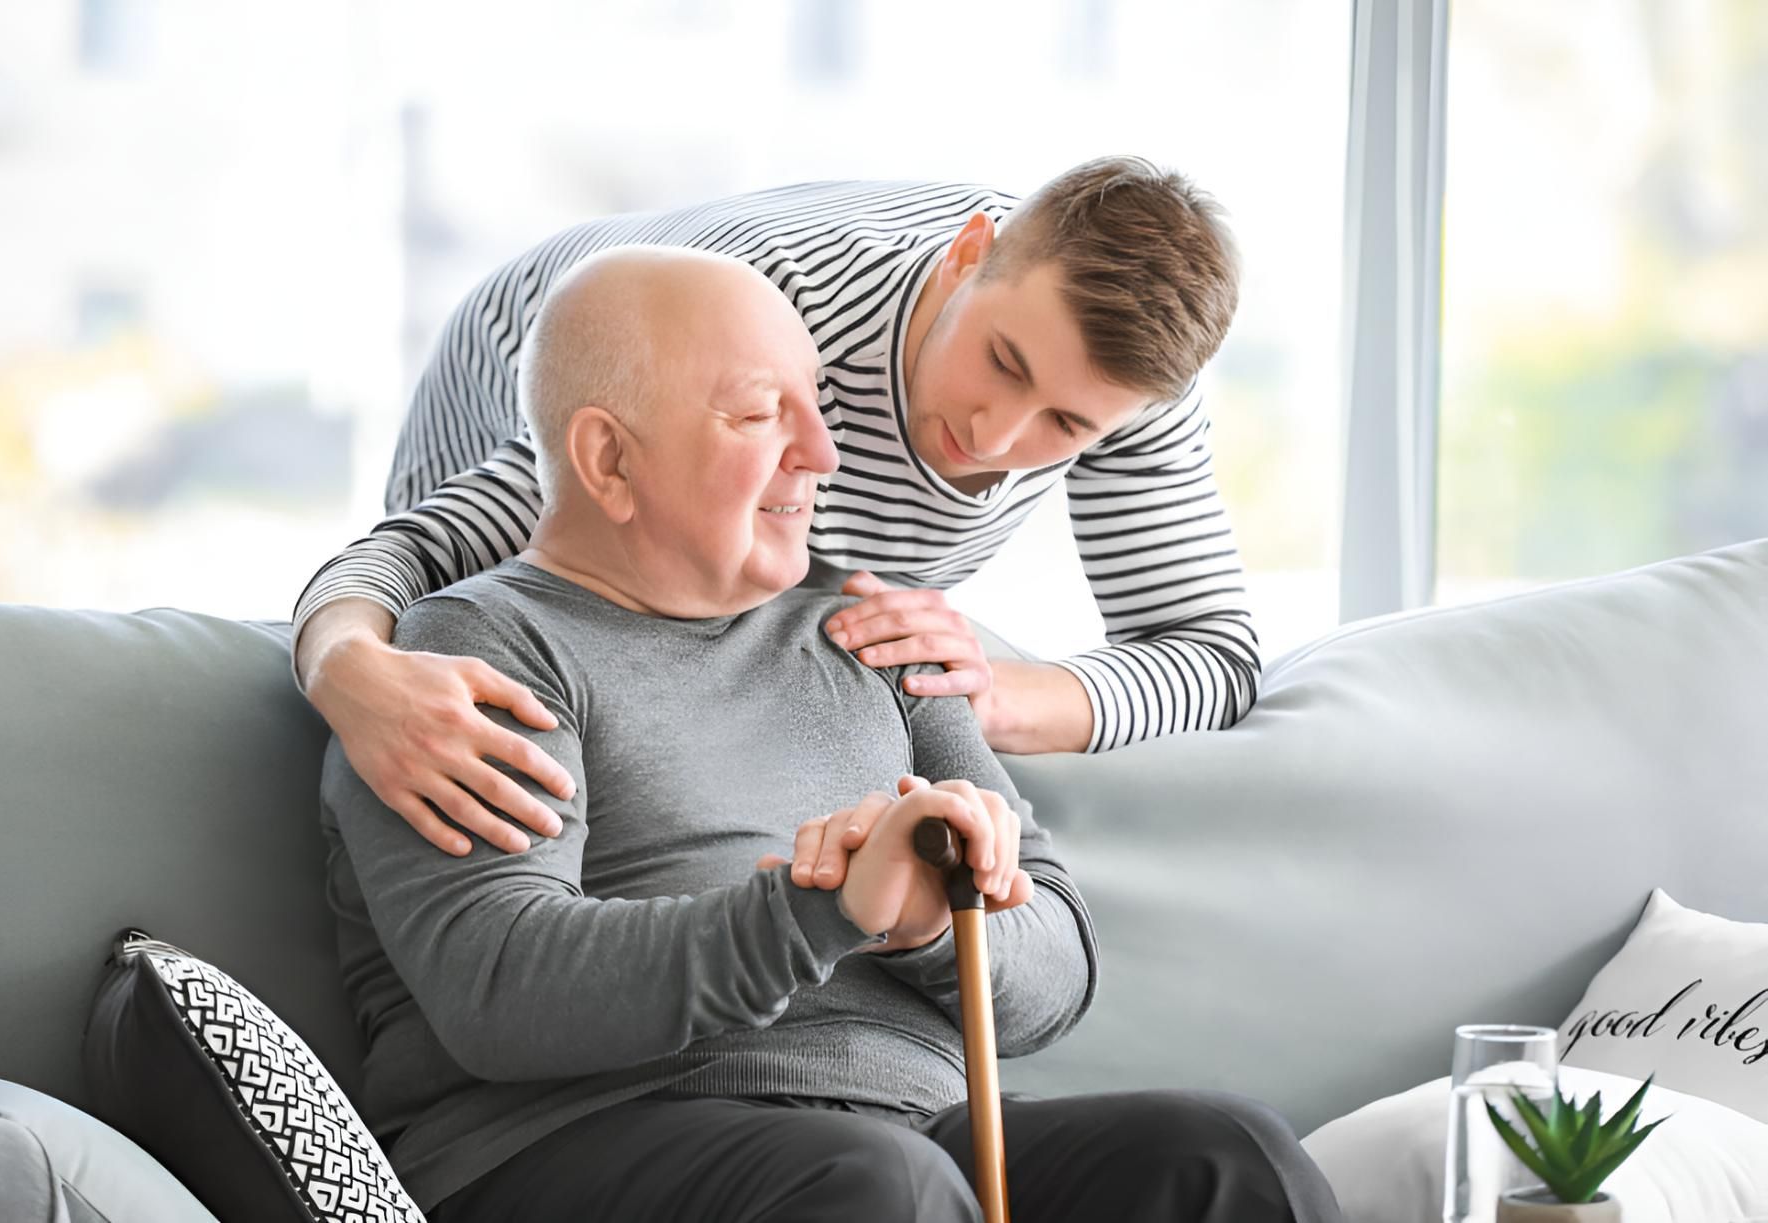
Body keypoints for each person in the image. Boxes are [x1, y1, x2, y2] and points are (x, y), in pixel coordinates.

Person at [319, 247, 1341, 1222]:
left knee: (1226, 1161)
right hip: (574, 1140)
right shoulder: (469, 657)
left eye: (815, 402)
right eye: (764, 413)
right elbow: (502, 989)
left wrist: (932, 920)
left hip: (901, 1138)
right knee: (884, 1189)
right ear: (607, 458)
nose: (822, 452)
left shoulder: (872, 631)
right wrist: (828, 908)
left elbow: (1055, 965)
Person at [299, 157, 1264, 858]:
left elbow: (1212, 654)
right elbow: (412, 553)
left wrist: (1004, 695)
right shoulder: (778, 320)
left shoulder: (1134, 382)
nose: (998, 435)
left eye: (1064, 422)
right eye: (1003, 363)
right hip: (539, 344)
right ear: (969, 255)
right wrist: (348, 669)